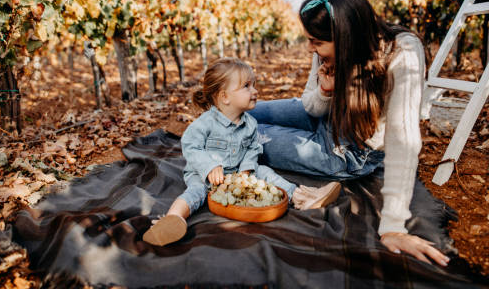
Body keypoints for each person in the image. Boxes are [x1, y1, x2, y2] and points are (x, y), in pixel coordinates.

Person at [249, 0, 450, 267]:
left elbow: (402, 137)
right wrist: (326, 91)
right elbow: (310, 105)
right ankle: (212, 121)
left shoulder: (401, 51)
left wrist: (393, 226)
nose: (310, 49)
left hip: (351, 149)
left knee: (246, 132)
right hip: (328, 116)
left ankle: (213, 133)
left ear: (345, 39)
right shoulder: (327, 51)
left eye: (316, 42)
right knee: (248, 110)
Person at [143, 58, 341, 246]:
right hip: (205, 176)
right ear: (224, 96)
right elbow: (190, 146)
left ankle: (299, 196)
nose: (254, 91)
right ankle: (173, 219)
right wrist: (209, 166)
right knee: (195, 193)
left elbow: (253, 148)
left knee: (265, 172)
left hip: (238, 174)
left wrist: (247, 169)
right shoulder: (205, 123)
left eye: (253, 85)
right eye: (246, 86)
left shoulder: (250, 124)